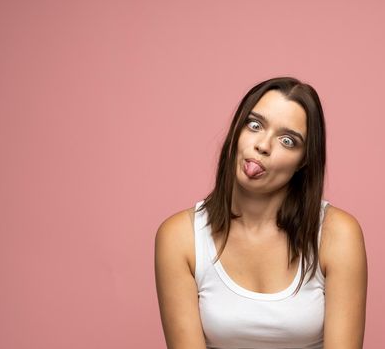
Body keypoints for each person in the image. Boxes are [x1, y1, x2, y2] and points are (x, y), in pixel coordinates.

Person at [154, 76, 368, 348]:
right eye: (254, 125)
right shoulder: (180, 237)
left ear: (303, 161)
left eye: (288, 140)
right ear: (236, 131)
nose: (263, 146)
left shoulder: (337, 234)